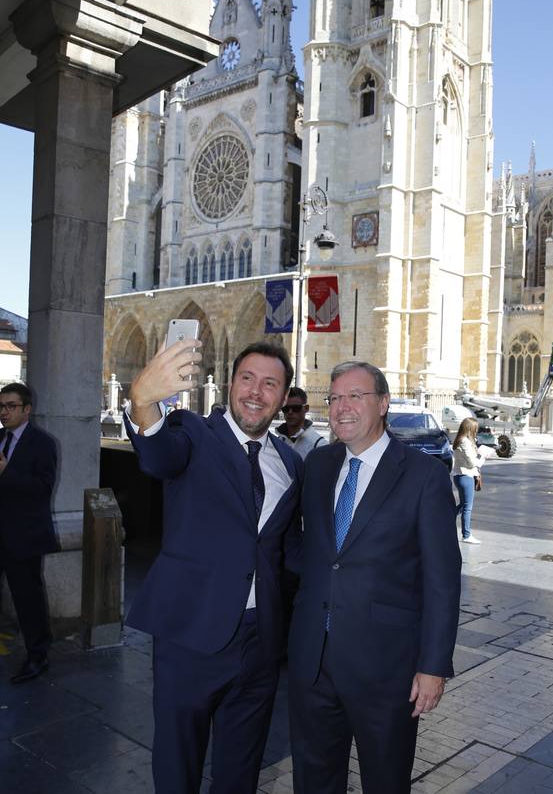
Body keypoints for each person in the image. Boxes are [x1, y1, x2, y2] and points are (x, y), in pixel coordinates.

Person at [124, 340, 303, 794]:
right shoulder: (193, 432)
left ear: (283, 398)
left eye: (270, 384)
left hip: (260, 643)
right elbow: (159, 454)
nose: (256, 392)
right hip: (191, 636)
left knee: (240, 770)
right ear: (229, 383)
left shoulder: (290, 463)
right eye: (248, 378)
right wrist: (143, 402)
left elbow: (288, 552)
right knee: (177, 764)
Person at [287, 360, 461, 794]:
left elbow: (443, 580)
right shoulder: (320, 465)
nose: (341, 407)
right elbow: (314, 554)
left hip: (386, 670)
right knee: (314, 780)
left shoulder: (424, 477)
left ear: (383, 404)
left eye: (355, 396)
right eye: (334, 398)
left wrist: (433, 666)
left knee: (385, 782)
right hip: (314, 661)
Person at [0, 383, 58, 683]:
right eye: (1, 406)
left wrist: (7, 472)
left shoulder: (43, 443)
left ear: (27, 409)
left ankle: (38, 655)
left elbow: (42, 490)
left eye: (11, 406)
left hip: (23, 535)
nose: (4, 412)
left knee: (28, 600)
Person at [452, 416, 485, 544]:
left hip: (460, 475)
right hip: (465, 476)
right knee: (467, 507)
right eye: (475, 428)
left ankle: (445, 520)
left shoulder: (462, 440)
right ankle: (466, 535)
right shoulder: (464, 441)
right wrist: (483, 458)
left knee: (463, 505)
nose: (476, 431)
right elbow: (471, 463)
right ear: (470, 428)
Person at [276, 386, 328, 459]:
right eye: (286, 408)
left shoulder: (319, 445)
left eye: (296, 408)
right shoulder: (278, 441)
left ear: (306, 408)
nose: (290, 412)